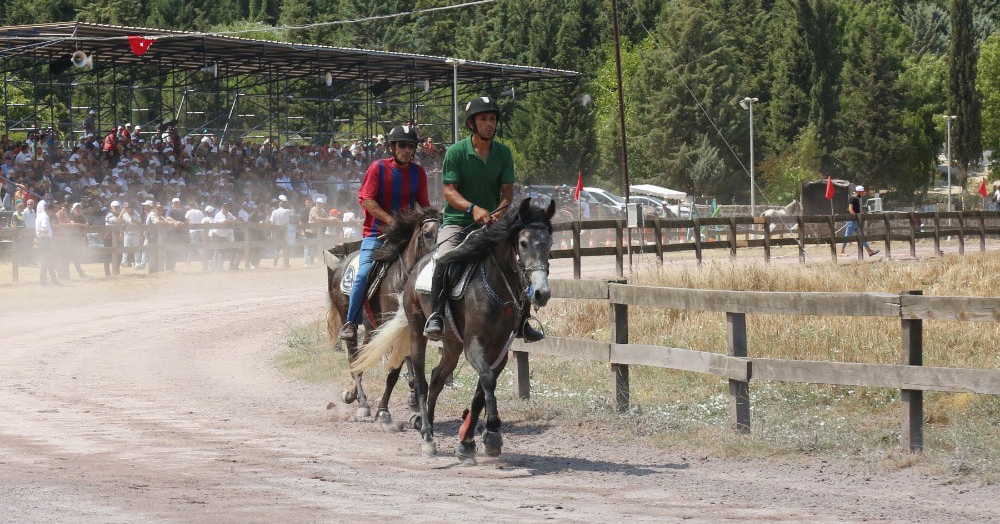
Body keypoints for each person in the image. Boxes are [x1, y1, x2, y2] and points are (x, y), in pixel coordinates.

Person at [422, 96, 543, 342]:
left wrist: (499, 211)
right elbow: (449, 192)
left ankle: (522, 320)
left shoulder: (503, 153)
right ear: (471, 124)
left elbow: (507, 191)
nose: (490, 124)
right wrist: (473, 209)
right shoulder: (456, 152)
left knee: (518, 263)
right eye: (484, 119)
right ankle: (436, 315)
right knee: (444, 258)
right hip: (458, 221)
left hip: (492, 223)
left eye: (492, 119)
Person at [339, 125, 430, 341]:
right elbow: (367, 201)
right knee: (362, 275)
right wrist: (391, 221)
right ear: (392, 147)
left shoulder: (419, 173)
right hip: (377, 235)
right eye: (402, 145)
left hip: (407, 236)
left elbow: (424, 205)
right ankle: (351, 323)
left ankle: (435, 317)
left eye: (411, 146)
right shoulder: (378, 168)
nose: (407, 150)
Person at [840, 185, 879, 257]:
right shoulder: (852, 198)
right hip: (851, 221)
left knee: (861, 236)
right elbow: (850, 209)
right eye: (861, 193)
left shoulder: (856, 199)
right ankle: (841, 251)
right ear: (858, 192)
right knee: (847, 236)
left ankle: (869, 251)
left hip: (855, 221)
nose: (862, 194)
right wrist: (856, 216)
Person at [35, 199, 61, 286]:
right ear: (48, 209)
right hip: (45, 240)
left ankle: (52, 280)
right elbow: (45, 227)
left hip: (43, 240)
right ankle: (44, 282)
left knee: (47, 261)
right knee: (47, 261)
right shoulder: (45, 217)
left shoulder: (41, 215)